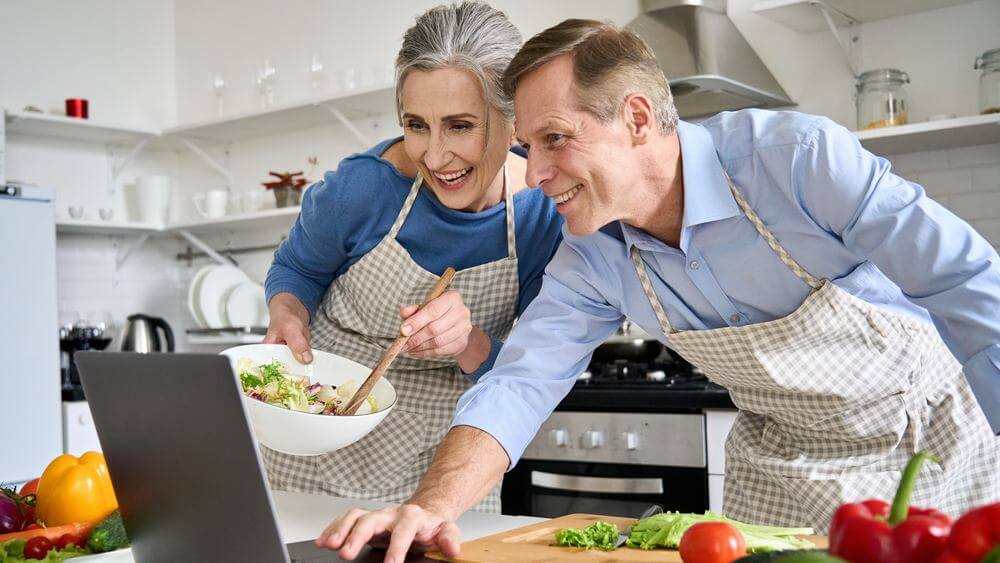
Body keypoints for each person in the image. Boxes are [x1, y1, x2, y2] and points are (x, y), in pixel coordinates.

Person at [316, 17, 1000, 562]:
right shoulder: (591, 252)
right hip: (782, 467)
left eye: (555, 139)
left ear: (638, 118)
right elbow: (520, 382)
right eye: (528, 146)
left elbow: (964, 281)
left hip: (926, 444)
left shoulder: (797, 162)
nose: (536, 170)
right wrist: (431, 506)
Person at [262, 2, 562, 514]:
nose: (434, 155)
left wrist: (467, 342)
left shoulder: (541, 218)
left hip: (446, 468)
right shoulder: (362, 188)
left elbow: (527, 375)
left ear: (516, 122)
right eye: (416, 125)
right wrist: (287, 312)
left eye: (461, 126)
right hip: (317, 452)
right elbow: (297, 269)